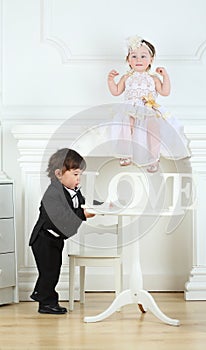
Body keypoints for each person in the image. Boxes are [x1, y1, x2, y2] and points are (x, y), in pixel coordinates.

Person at [107, 35, 191, 172]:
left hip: (148, 108)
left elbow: (165, 92)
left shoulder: (153, 78)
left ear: (151, 59)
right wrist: (111, 80)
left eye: (143, 56)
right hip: (130, 109)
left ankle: (153, 158)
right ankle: (125, 154)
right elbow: (116, 91)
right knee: (126, 126)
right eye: (134, 56)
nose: (138, 60)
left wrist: (165, 76)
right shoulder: (126, 77)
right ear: (128, 60)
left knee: (154, 129)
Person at [29, 148, 95, 314]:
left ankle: (42, 296)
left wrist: (100, 204)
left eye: (80, 175)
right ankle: (45, 301)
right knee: (49, 272)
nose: (78, 179)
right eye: (75, 174)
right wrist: (83, 214)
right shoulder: (52, 194)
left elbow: (84, 203)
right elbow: (59, 217)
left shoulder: (73, 193)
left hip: (55, 240)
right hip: (43, 239)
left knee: (53, 270)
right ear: (59, 174)